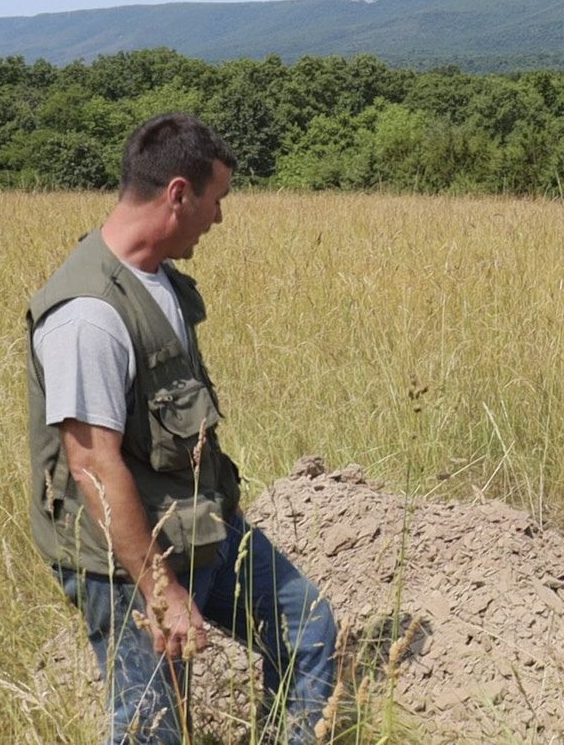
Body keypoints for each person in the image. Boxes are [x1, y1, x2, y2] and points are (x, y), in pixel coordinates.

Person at [26, 114, 338, 743]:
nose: (219, 218)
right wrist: (163, 591)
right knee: (154, 726)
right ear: (177, 194)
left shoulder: (159, 277)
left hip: (201, 524)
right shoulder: (88, 315)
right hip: (126, 562)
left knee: (307, 630)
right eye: (216, 201)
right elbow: (92, 463)